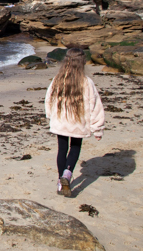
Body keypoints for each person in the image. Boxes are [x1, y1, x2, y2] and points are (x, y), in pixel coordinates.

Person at [45, 48, 104, 197]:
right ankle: (67, 174)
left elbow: (49, 99)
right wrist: (97, 128)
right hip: (78, 123)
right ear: (82, 62)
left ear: (66, 61)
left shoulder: (58, 80)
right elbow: (94, 105)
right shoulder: (86, 82)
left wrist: (50, 116)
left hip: (60, 122)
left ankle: (60, 180)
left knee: (62, 149)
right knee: (75, 148)